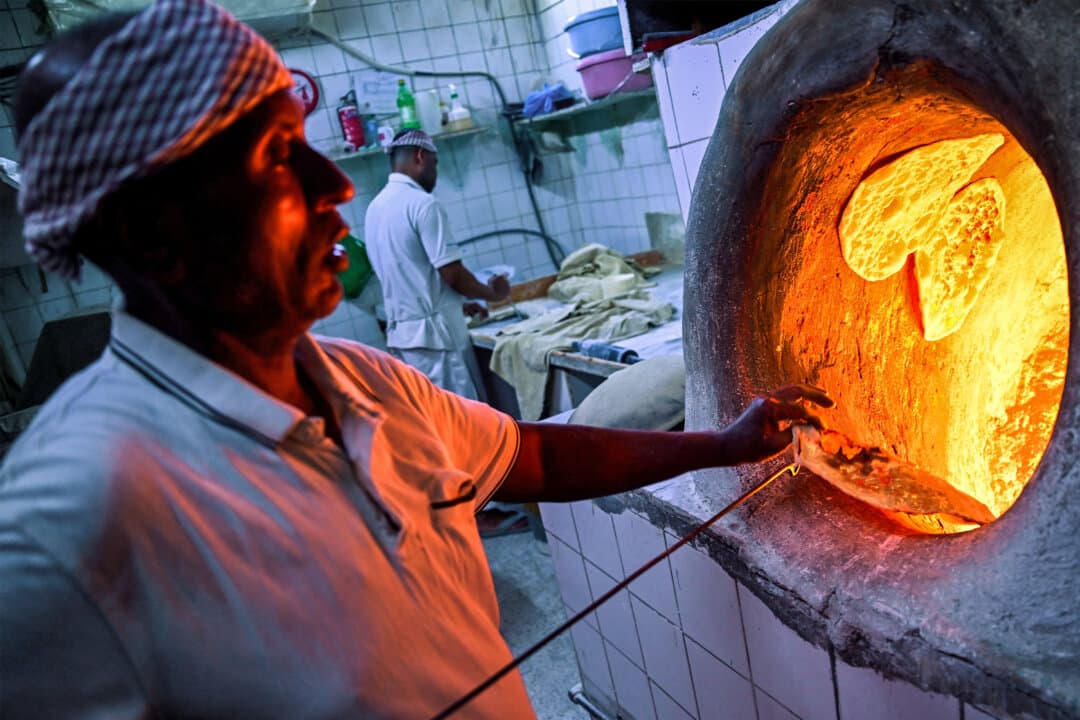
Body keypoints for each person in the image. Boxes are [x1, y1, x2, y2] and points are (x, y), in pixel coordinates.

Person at [0, 2, 833, 718]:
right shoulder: (65, 526)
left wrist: (723, 445)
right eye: (276, 159)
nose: (335, 186)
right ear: (155, 235)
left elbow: (529, 451)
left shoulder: (364, 380)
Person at [364, 128, 507, 401]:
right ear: (420, 156)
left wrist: (457, 305)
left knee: (436, 425)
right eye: (435, 163)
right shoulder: (423, 204)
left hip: (404, 343)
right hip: (437, 343)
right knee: (466, 427)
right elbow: (452, 274)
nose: (436, 173)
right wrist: (493, 294)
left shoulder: (375, 208)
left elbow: (408, 275)